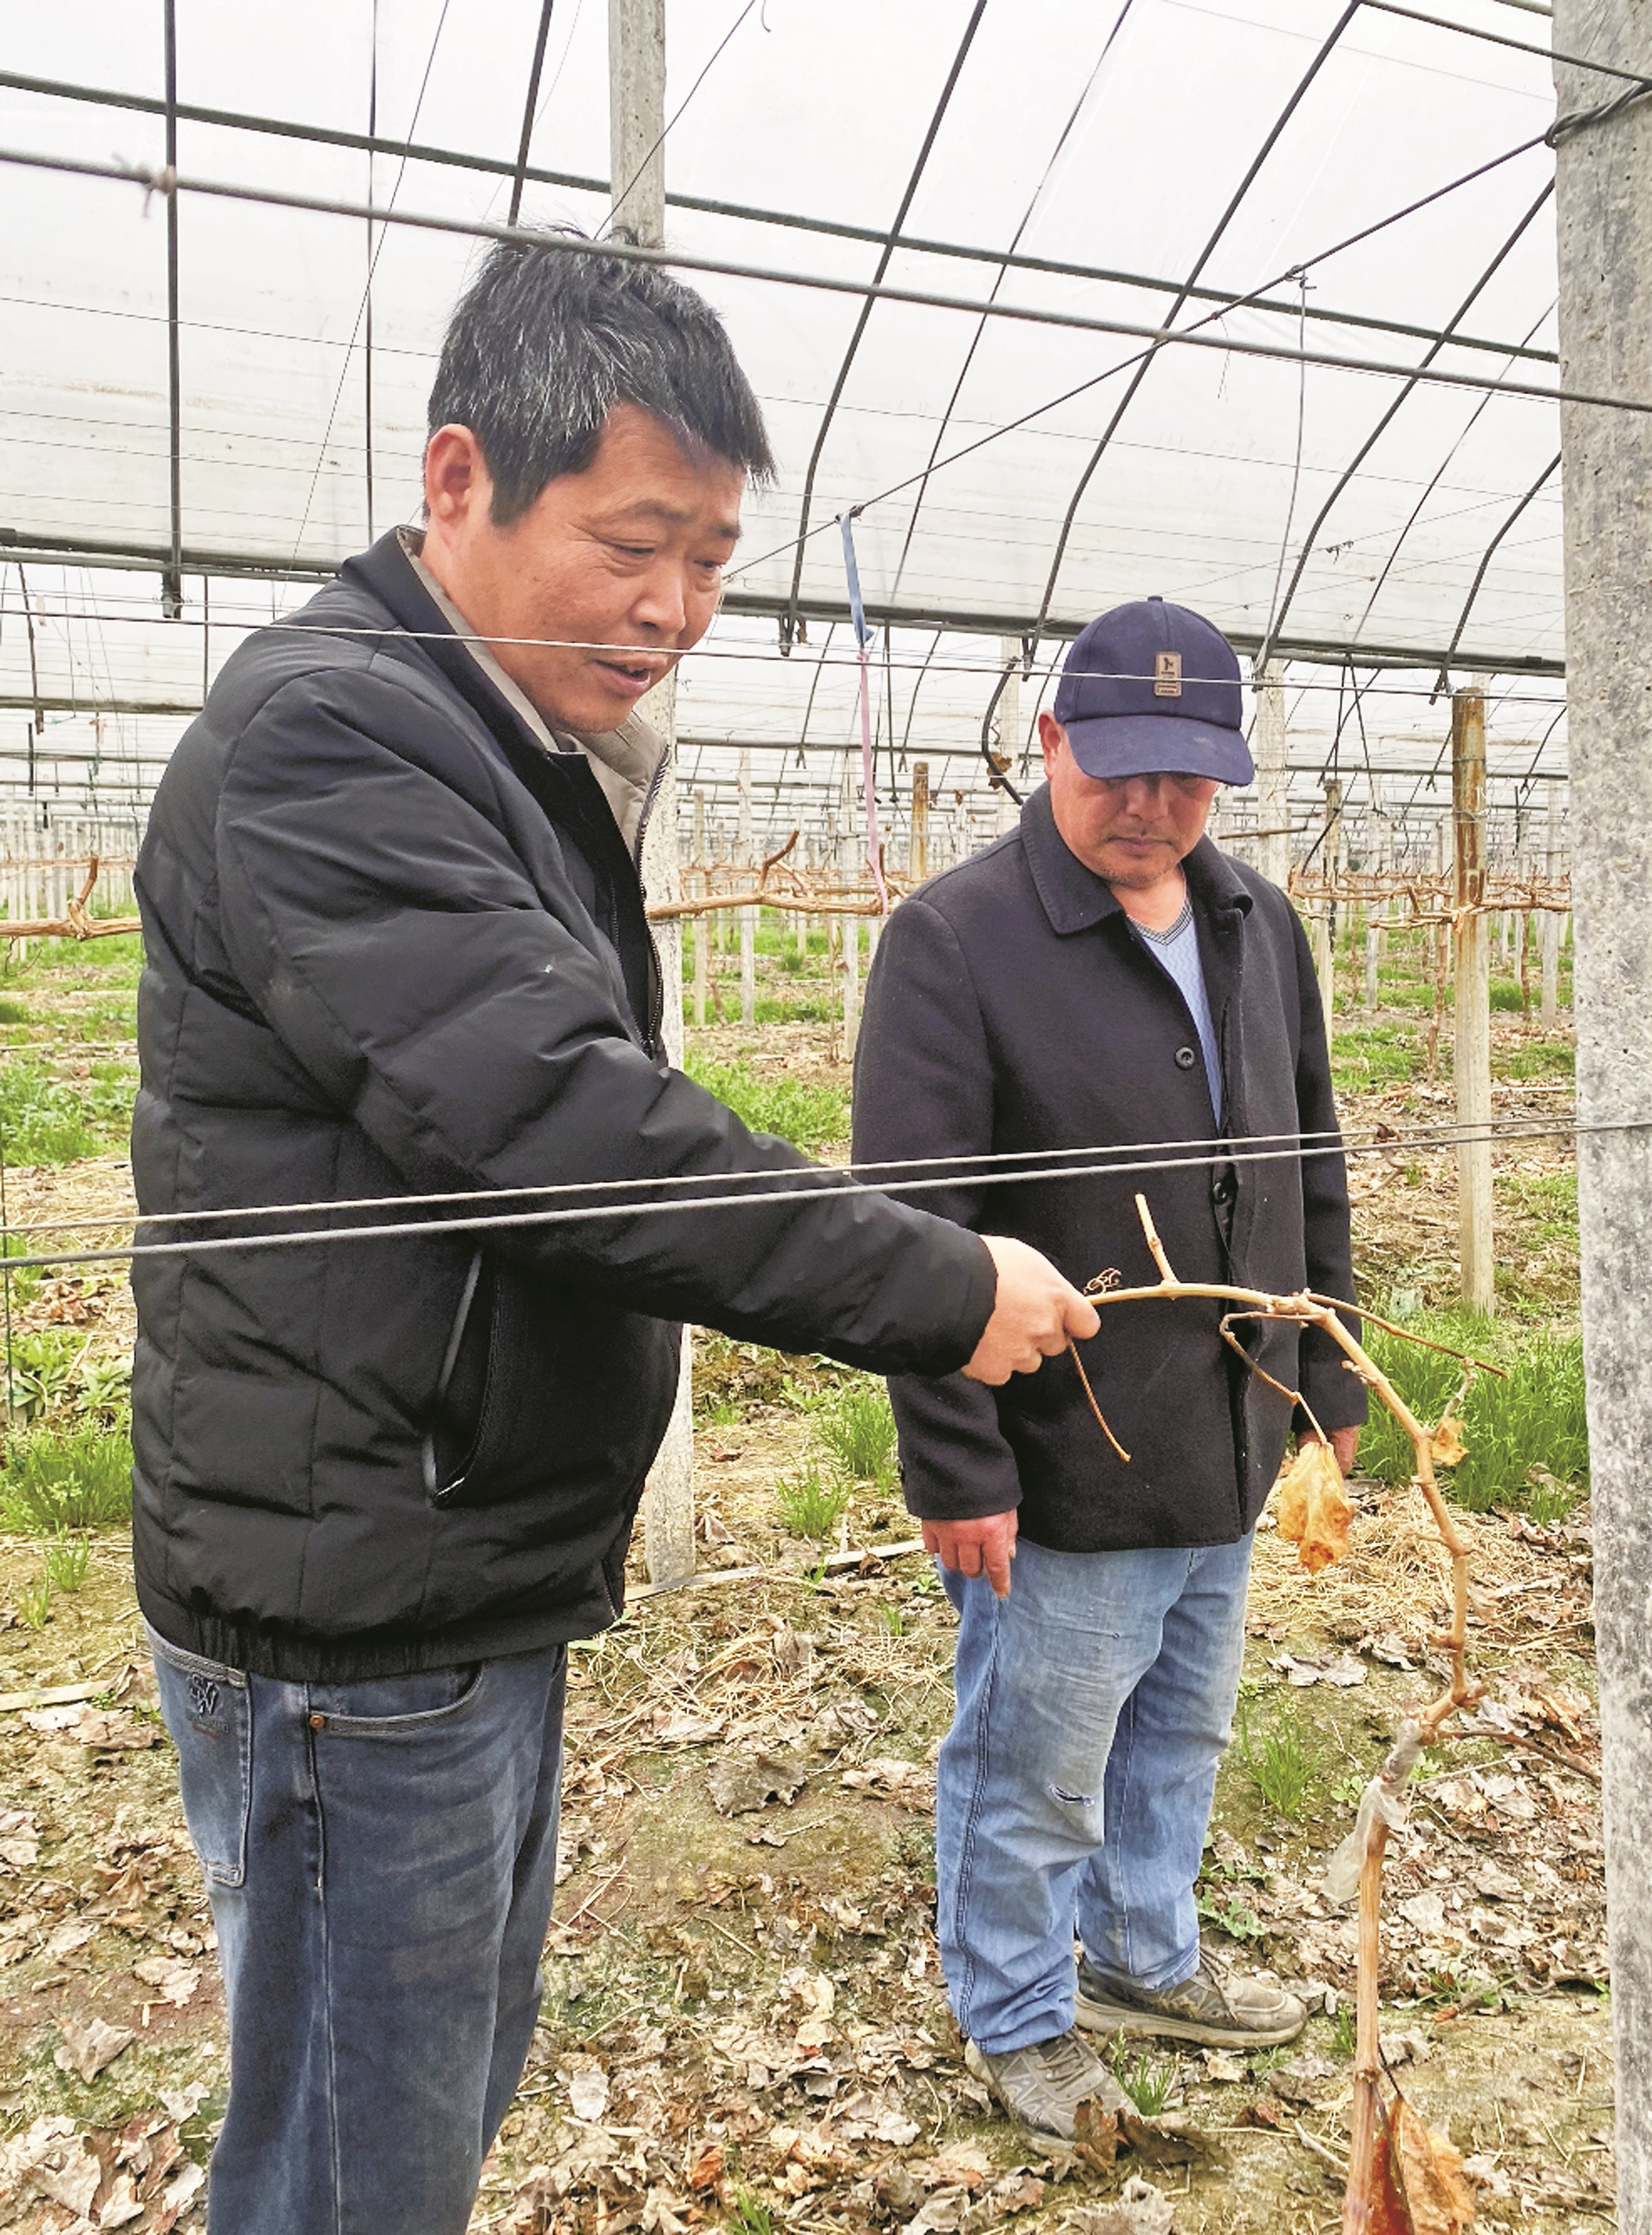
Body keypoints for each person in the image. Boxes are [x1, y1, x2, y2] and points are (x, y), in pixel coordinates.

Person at [130, 237, 1098, 2235]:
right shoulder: (335, 734)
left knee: (421, 2105)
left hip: (442, 1553)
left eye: (715, 560)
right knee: (353, 2162)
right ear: (459, 477)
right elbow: (561, 1125)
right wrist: (936, 1283)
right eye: (634, 543)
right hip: (353, 1602)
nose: (675, 608)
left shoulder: (486, 740)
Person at [853, 597, 1365, 2147]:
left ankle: (1144, 1950)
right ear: (1049, 737)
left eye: (1185, 777)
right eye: (1118, 767)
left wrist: (1326, 1380)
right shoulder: (955, 941)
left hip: (1230, 1428)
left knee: (1181, 1728)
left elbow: (1307, 1161)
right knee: (1038, 1756)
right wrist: (956, 1464)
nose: (1149, 805)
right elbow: (910, 1234)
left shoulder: (1256, 923)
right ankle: (1016, 2010)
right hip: (1066, 1453)